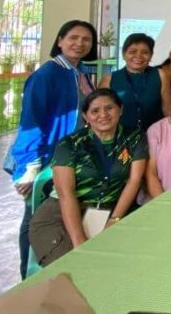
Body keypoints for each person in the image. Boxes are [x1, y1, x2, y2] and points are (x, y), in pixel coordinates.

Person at [8, 19, 97, 279]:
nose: (79, 44)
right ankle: (29, 278)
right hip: (46, 160)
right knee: (35, 219)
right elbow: (31, 122)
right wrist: (30, 167)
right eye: (73, 37)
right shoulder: (46, 74)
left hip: (70, 159)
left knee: (56, 215)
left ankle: (54, 273)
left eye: (86, 40)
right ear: (59, 40)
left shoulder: (78, 73)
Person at [28, 89, 147, 267]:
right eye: (95, 111)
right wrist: (79, 241)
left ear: (120, 110)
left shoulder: (134, 138)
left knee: (117, 268)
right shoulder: (69, 144)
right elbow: (66, 195)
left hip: (106, 212)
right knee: (72, 270)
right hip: (60, 214)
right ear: (85, 116)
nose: (103, 115)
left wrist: (115, 219)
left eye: (109, 108)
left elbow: (134, 181)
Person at [99, 33, 171, 132]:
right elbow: (101, 113)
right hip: (120, 138)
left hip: (154, 136)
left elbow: (168, 110)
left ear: (151, 55)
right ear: (124, 54)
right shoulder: (110, 78)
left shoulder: (160, 75)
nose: (138, 56)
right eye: (132, 51)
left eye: (145, 52)